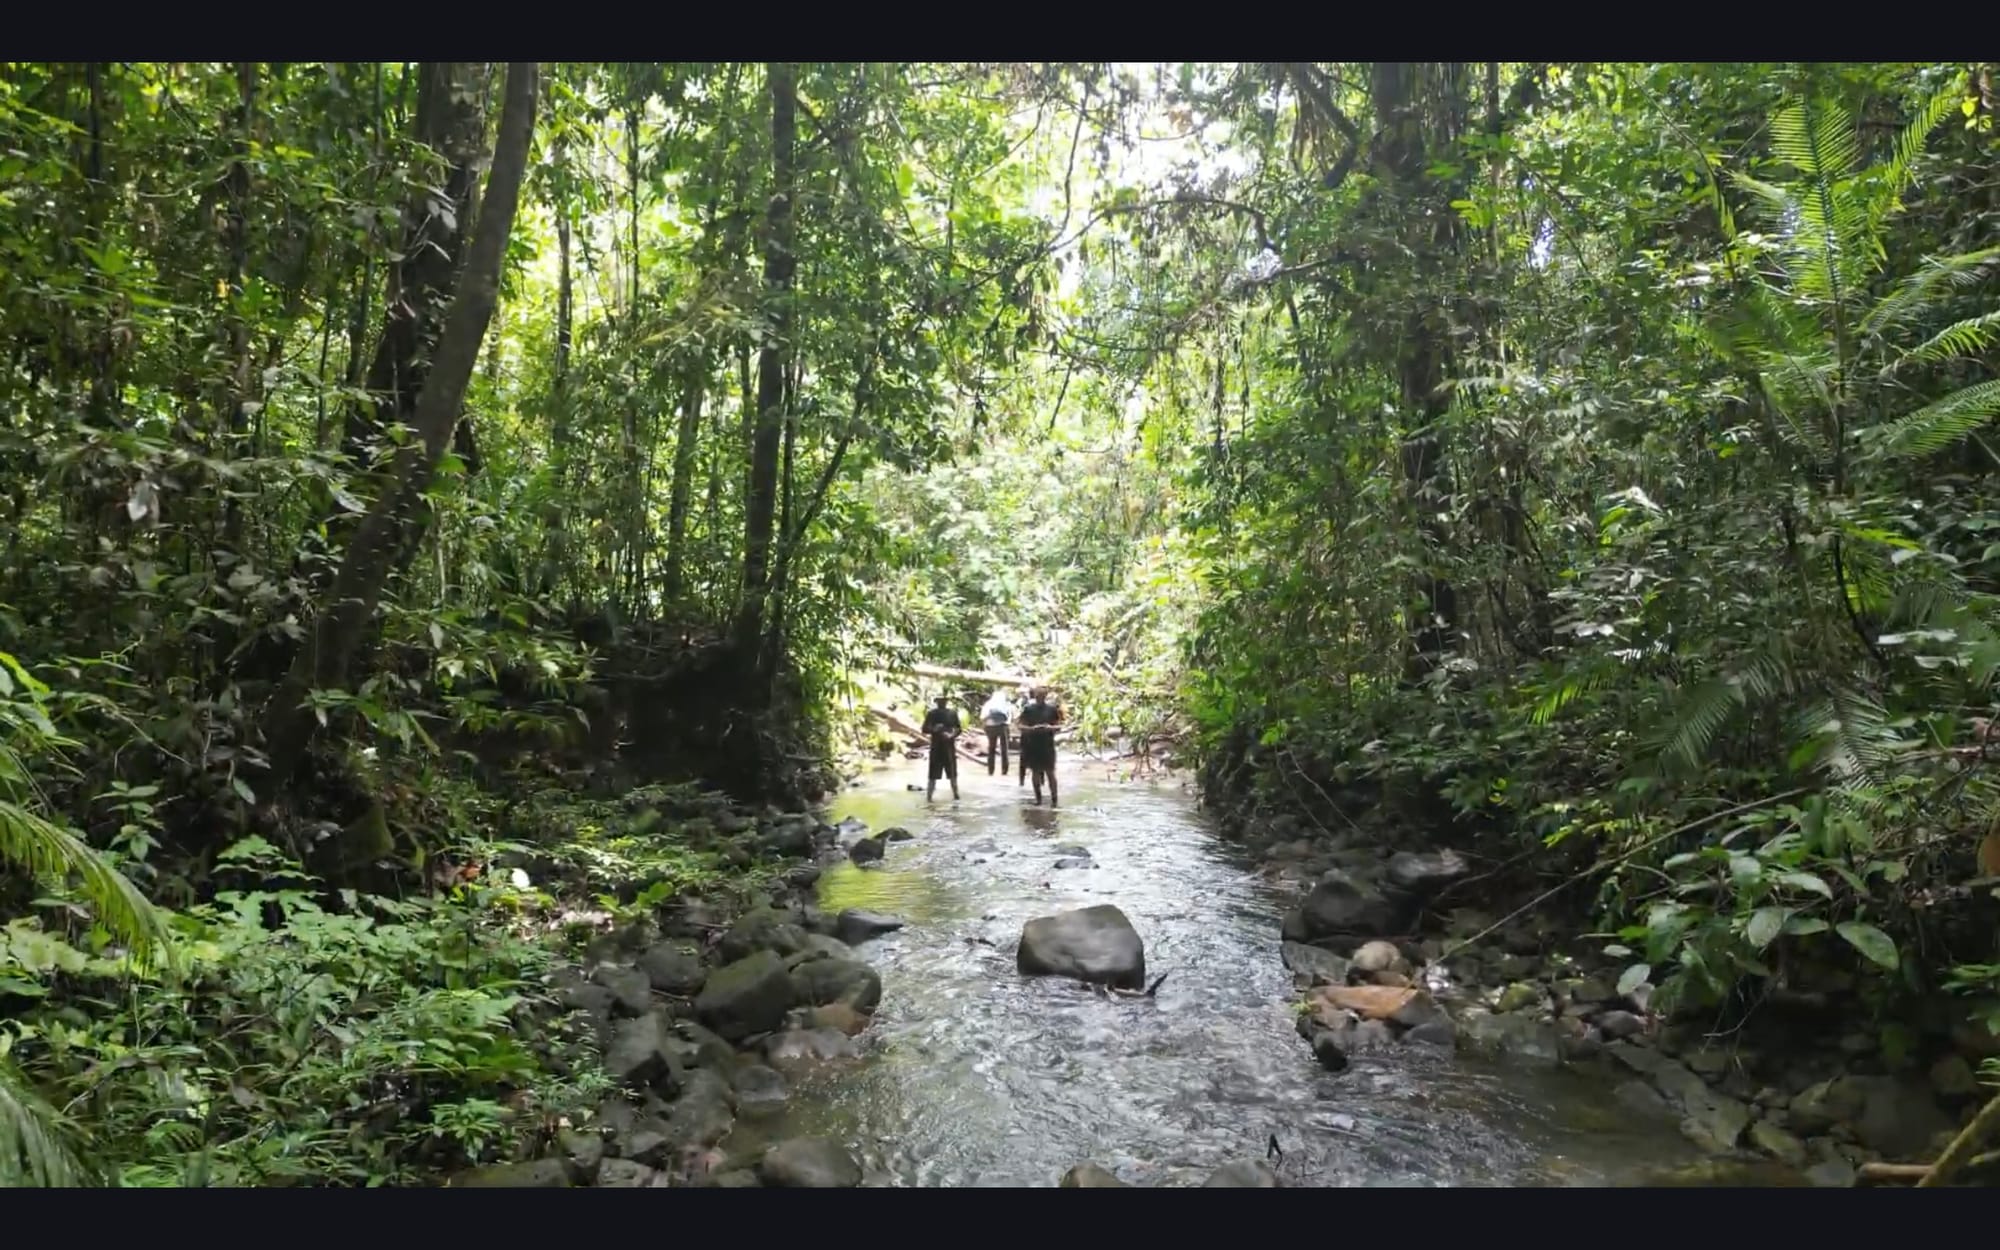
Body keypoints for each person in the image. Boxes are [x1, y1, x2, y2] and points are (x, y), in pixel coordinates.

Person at [1017, 685, 1062, 807]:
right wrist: (1032, 729)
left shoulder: (1052, 710)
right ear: (1035, 696)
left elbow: (1058, 726)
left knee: (1049, 772)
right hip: (1034, 744)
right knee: (1037, 772)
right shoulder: (1028, 709)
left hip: (1047, 744)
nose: (1040, 697)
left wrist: (1049, 728)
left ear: (1045, 696)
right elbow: (1020, 726)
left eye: (1042, 695)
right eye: (1038, 695)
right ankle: (1039, 799)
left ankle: (1053, 800)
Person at [920, 693, 962, 802]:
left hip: (949, 748)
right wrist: (934, 729)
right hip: (936, 748)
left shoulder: (952, 713)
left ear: (946, 702)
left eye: (943, 700)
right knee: (933, 775)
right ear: (936, 702)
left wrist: (951, 735)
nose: (942, 702)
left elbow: (958, 729)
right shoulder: (932, 714)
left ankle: (956, 795)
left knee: (952, 774)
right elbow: (924, 729)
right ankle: (929, 798)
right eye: (939, 700)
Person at [979, 687, 1017, 776]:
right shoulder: (1006, 704)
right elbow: (1010, 718)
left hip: (990, 727)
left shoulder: (988, 704)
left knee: (991, 748)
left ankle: (990, 770)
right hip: (1003, 726)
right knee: (1004, 749)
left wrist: (986, 724)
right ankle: (1004, 770)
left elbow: (982, 717)